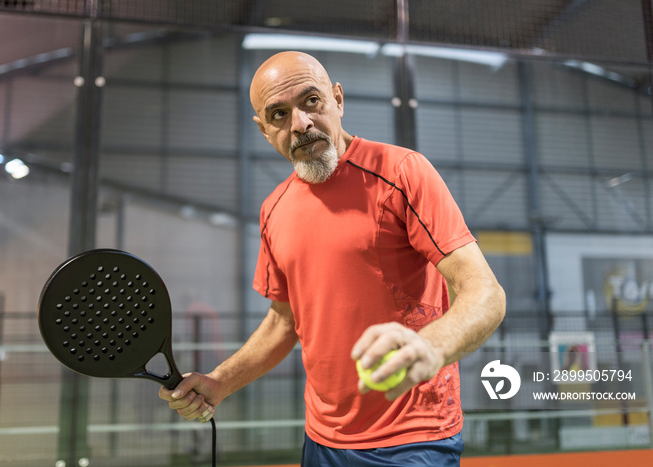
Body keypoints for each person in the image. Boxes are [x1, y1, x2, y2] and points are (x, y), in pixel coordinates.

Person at [159, 51, 506, 466]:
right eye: (279, 114)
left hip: (414, 439)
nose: (300, 124)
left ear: (337, 100)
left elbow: (484, 291)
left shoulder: (403, 172)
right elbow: (285, 320)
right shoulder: (274, 209)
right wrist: (220, 382)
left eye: (311, 102)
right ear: (264, 131)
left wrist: (429, 347)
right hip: (322, 441)